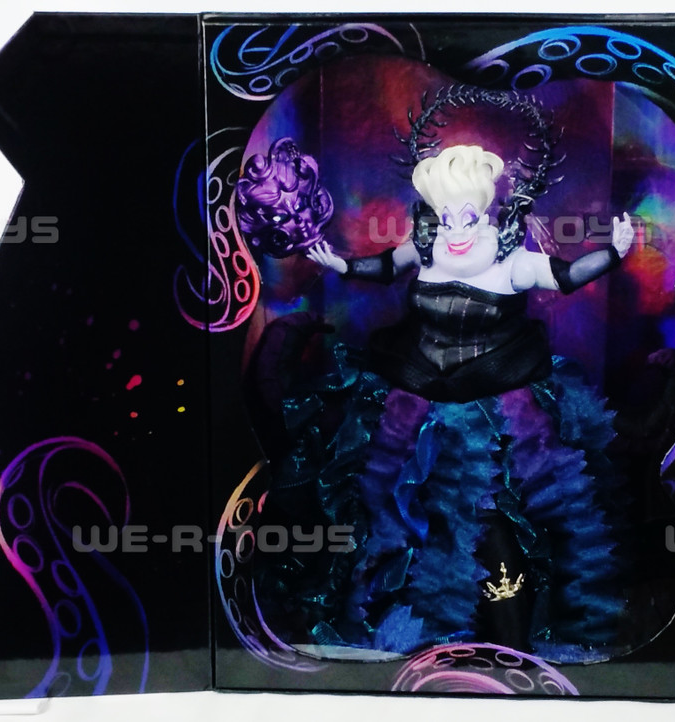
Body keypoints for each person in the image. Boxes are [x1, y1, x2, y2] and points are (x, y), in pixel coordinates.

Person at [257, 143, 636, 663]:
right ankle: (405, 623)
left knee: (503, 512)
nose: (455, 228)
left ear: (486, 211)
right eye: (445, 216)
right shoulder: (426, 247)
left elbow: (567, 276)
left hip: (497, 405)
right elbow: (384, 266)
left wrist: (614, 253)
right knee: (394, 507)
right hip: (415, 398)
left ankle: (506, 631)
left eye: (467, 216)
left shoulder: (511, 259)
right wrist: (339, 263)